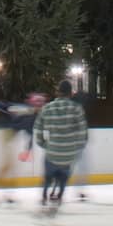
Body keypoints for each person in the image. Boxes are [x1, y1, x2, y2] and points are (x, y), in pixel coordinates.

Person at [0, 92, 44, 208]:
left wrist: (27, 150)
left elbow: (30, 134)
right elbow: (5, 105)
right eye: (39, 104)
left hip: (8, 136)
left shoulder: (33, 117)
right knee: (7, 165)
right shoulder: (23, 109)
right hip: (4, 132)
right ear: (33, 104)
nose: (40, 107)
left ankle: (7, 195)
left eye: (41, 105)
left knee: (12, 167)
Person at [33, 80, 88, 217]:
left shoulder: (47, 108)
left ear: (58, 92)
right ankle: (58, 198)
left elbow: (38, 128)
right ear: (70, 93)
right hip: (68, 154)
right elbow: (83, 131)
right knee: (64, 177)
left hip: (52, 152)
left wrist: (43, 144)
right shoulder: (77, 108)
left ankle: (45, 196)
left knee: (48, 177)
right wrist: (76, 147)